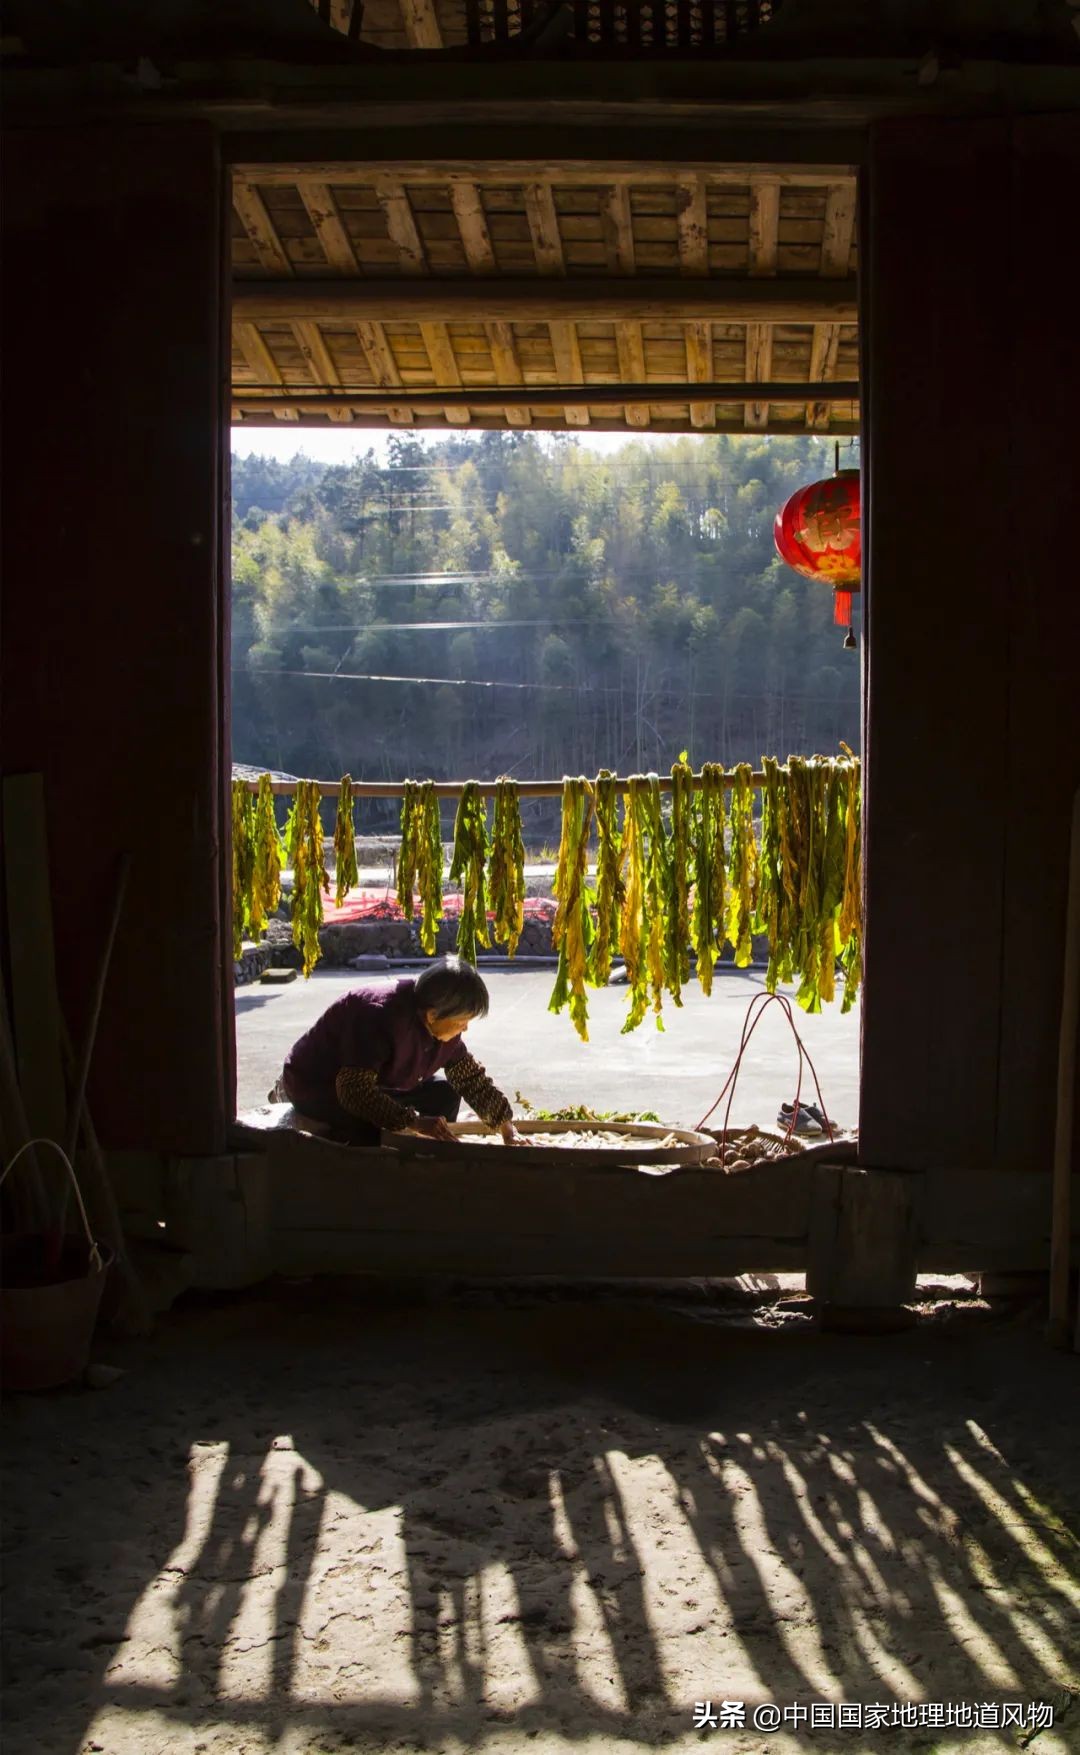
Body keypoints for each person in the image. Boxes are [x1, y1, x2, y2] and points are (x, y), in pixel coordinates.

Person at [279, 955, 521, 1147]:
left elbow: (469, 1078)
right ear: (432, 1015)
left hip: (379, 1082)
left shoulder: (443, 1026)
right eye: (461, 1022)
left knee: (443, 1094)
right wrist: (413, 1121)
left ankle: (437, 1151)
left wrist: (506, 1127)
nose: (465, 1028)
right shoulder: (380, 1015)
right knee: (370, 1130)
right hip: (319, 1085)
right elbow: (353, 1090)